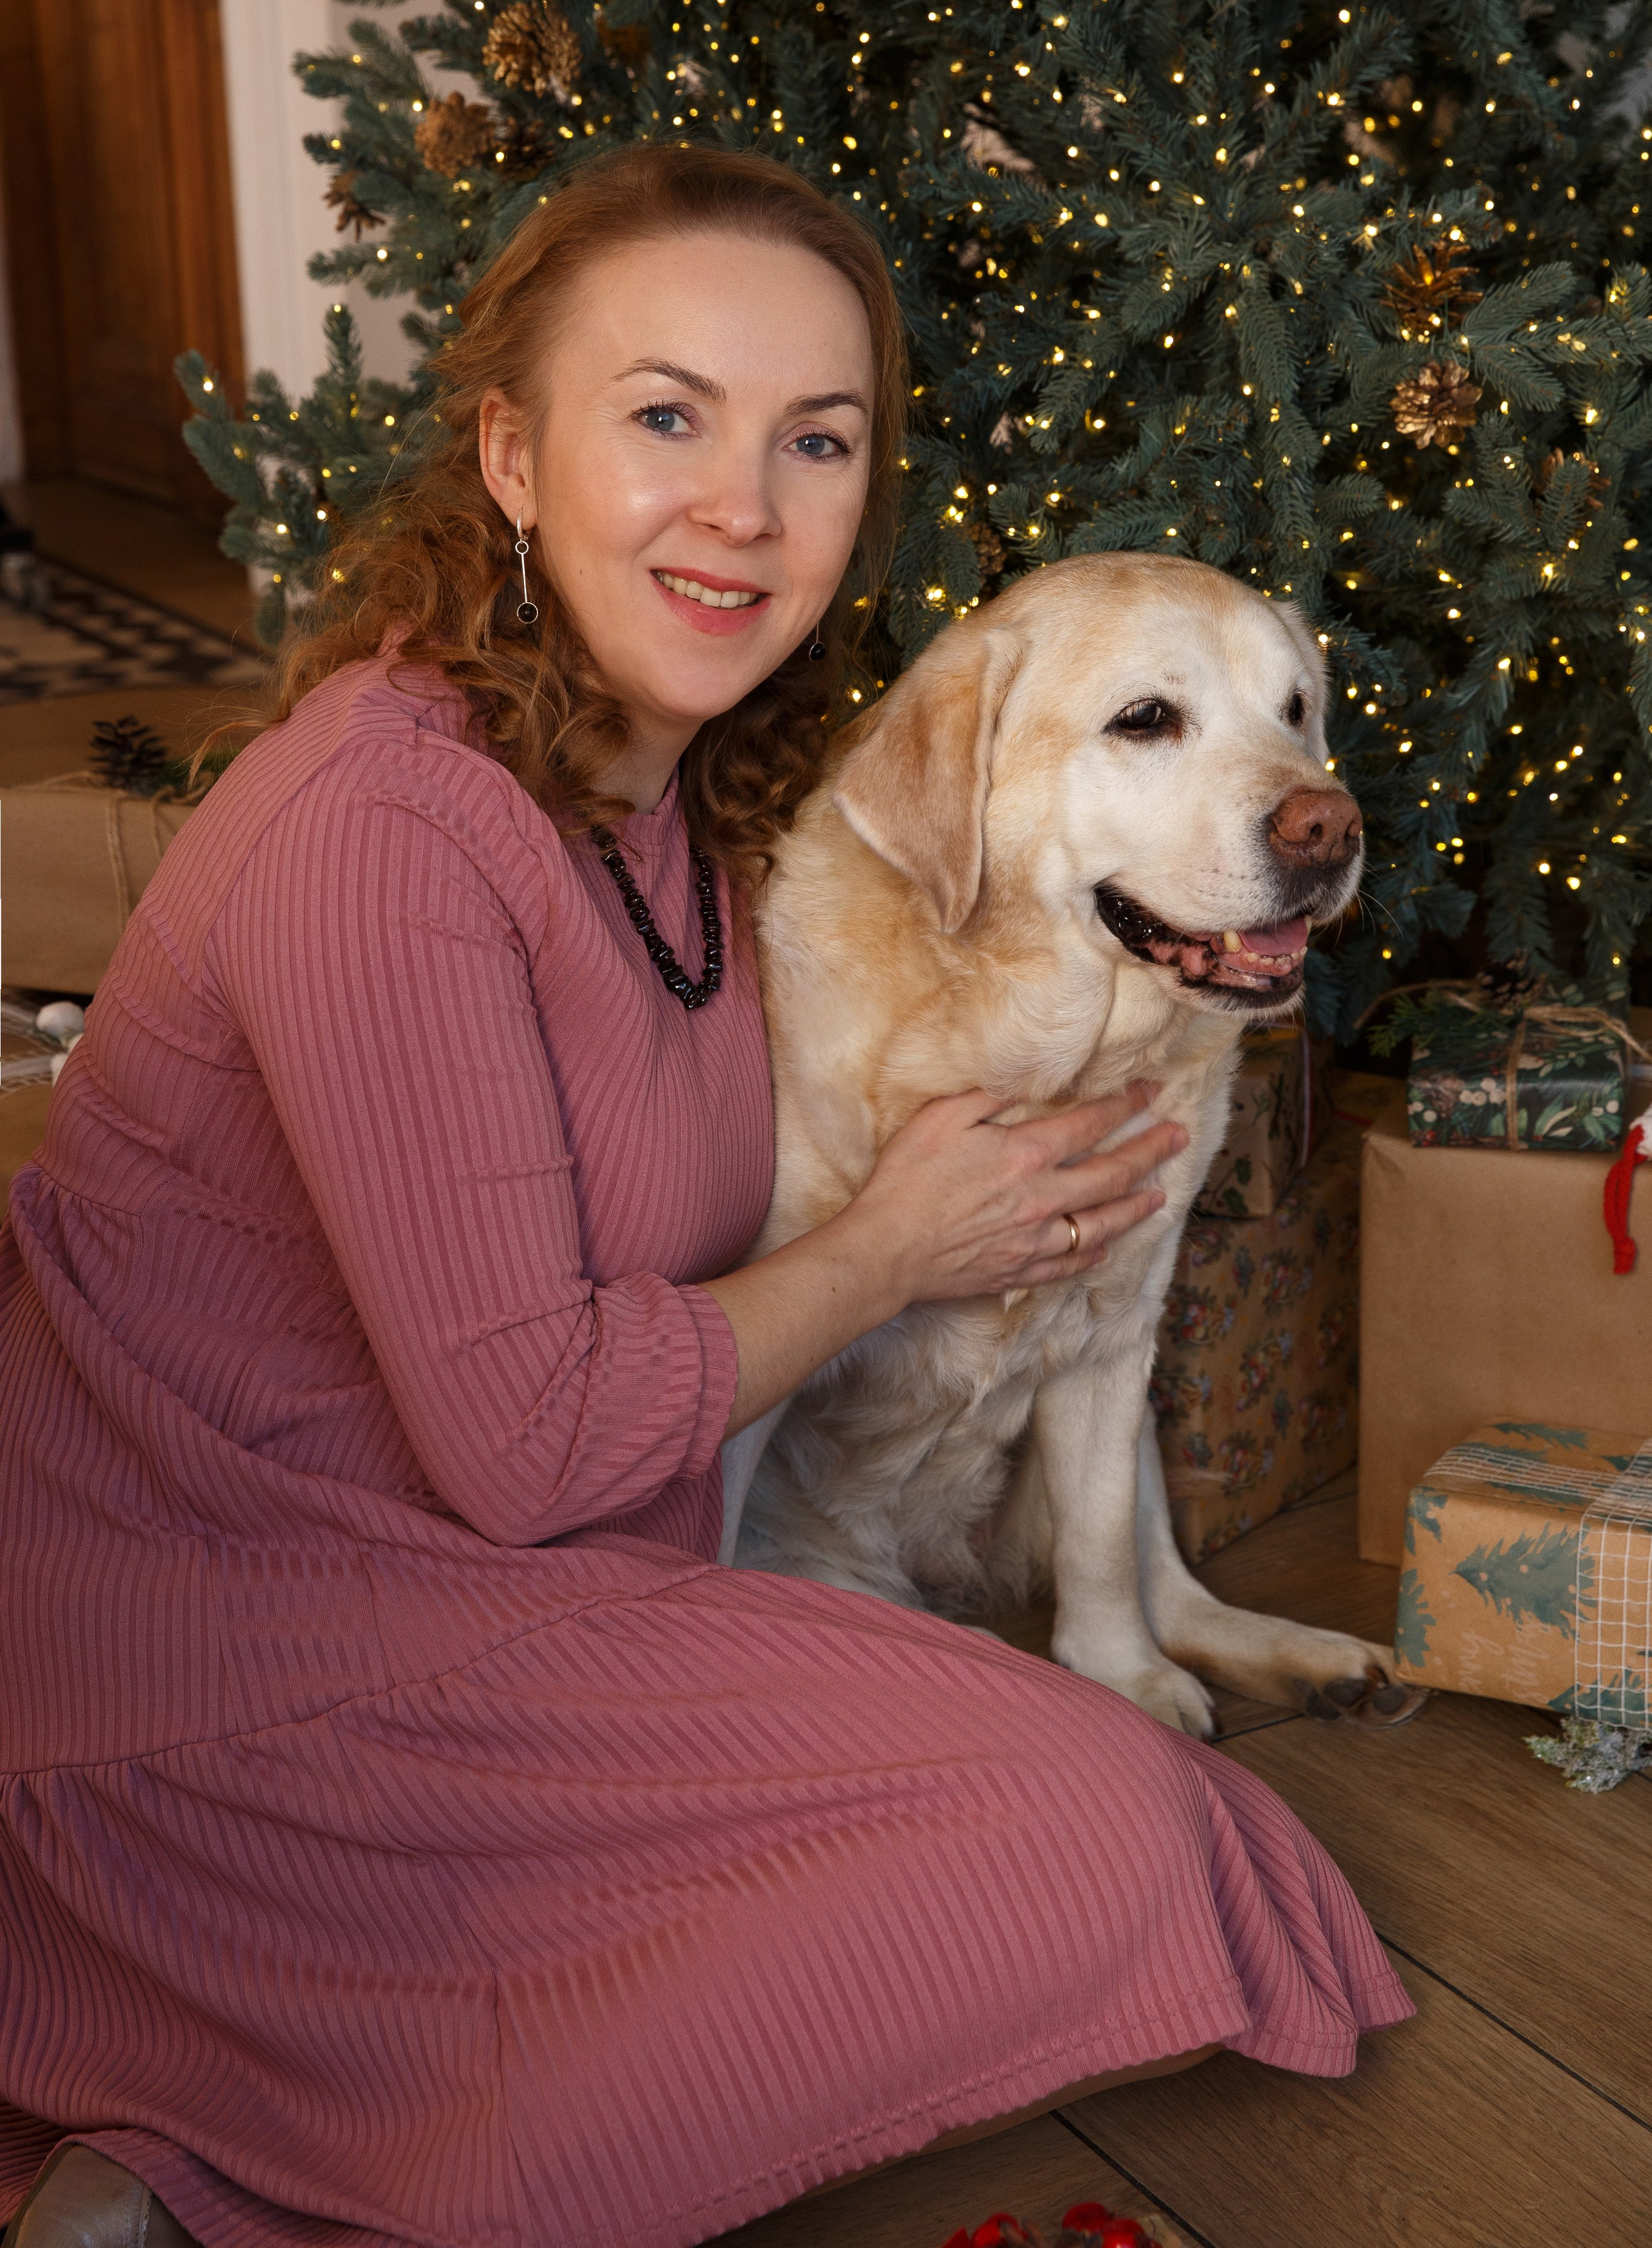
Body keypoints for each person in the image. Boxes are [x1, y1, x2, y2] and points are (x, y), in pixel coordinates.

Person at [0, 145, 1410, 2248]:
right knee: (1113, 1836)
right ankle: (241, 2130)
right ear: (507, 452)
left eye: (813, 441)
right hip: (213, 1663)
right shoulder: (381, 830)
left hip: (516, 1588)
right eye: (666, 416)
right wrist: (890, 1252)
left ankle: (234, 2113)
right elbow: (528, 1437)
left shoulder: (679, 792)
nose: (744, 505)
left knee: (1139, 1829)